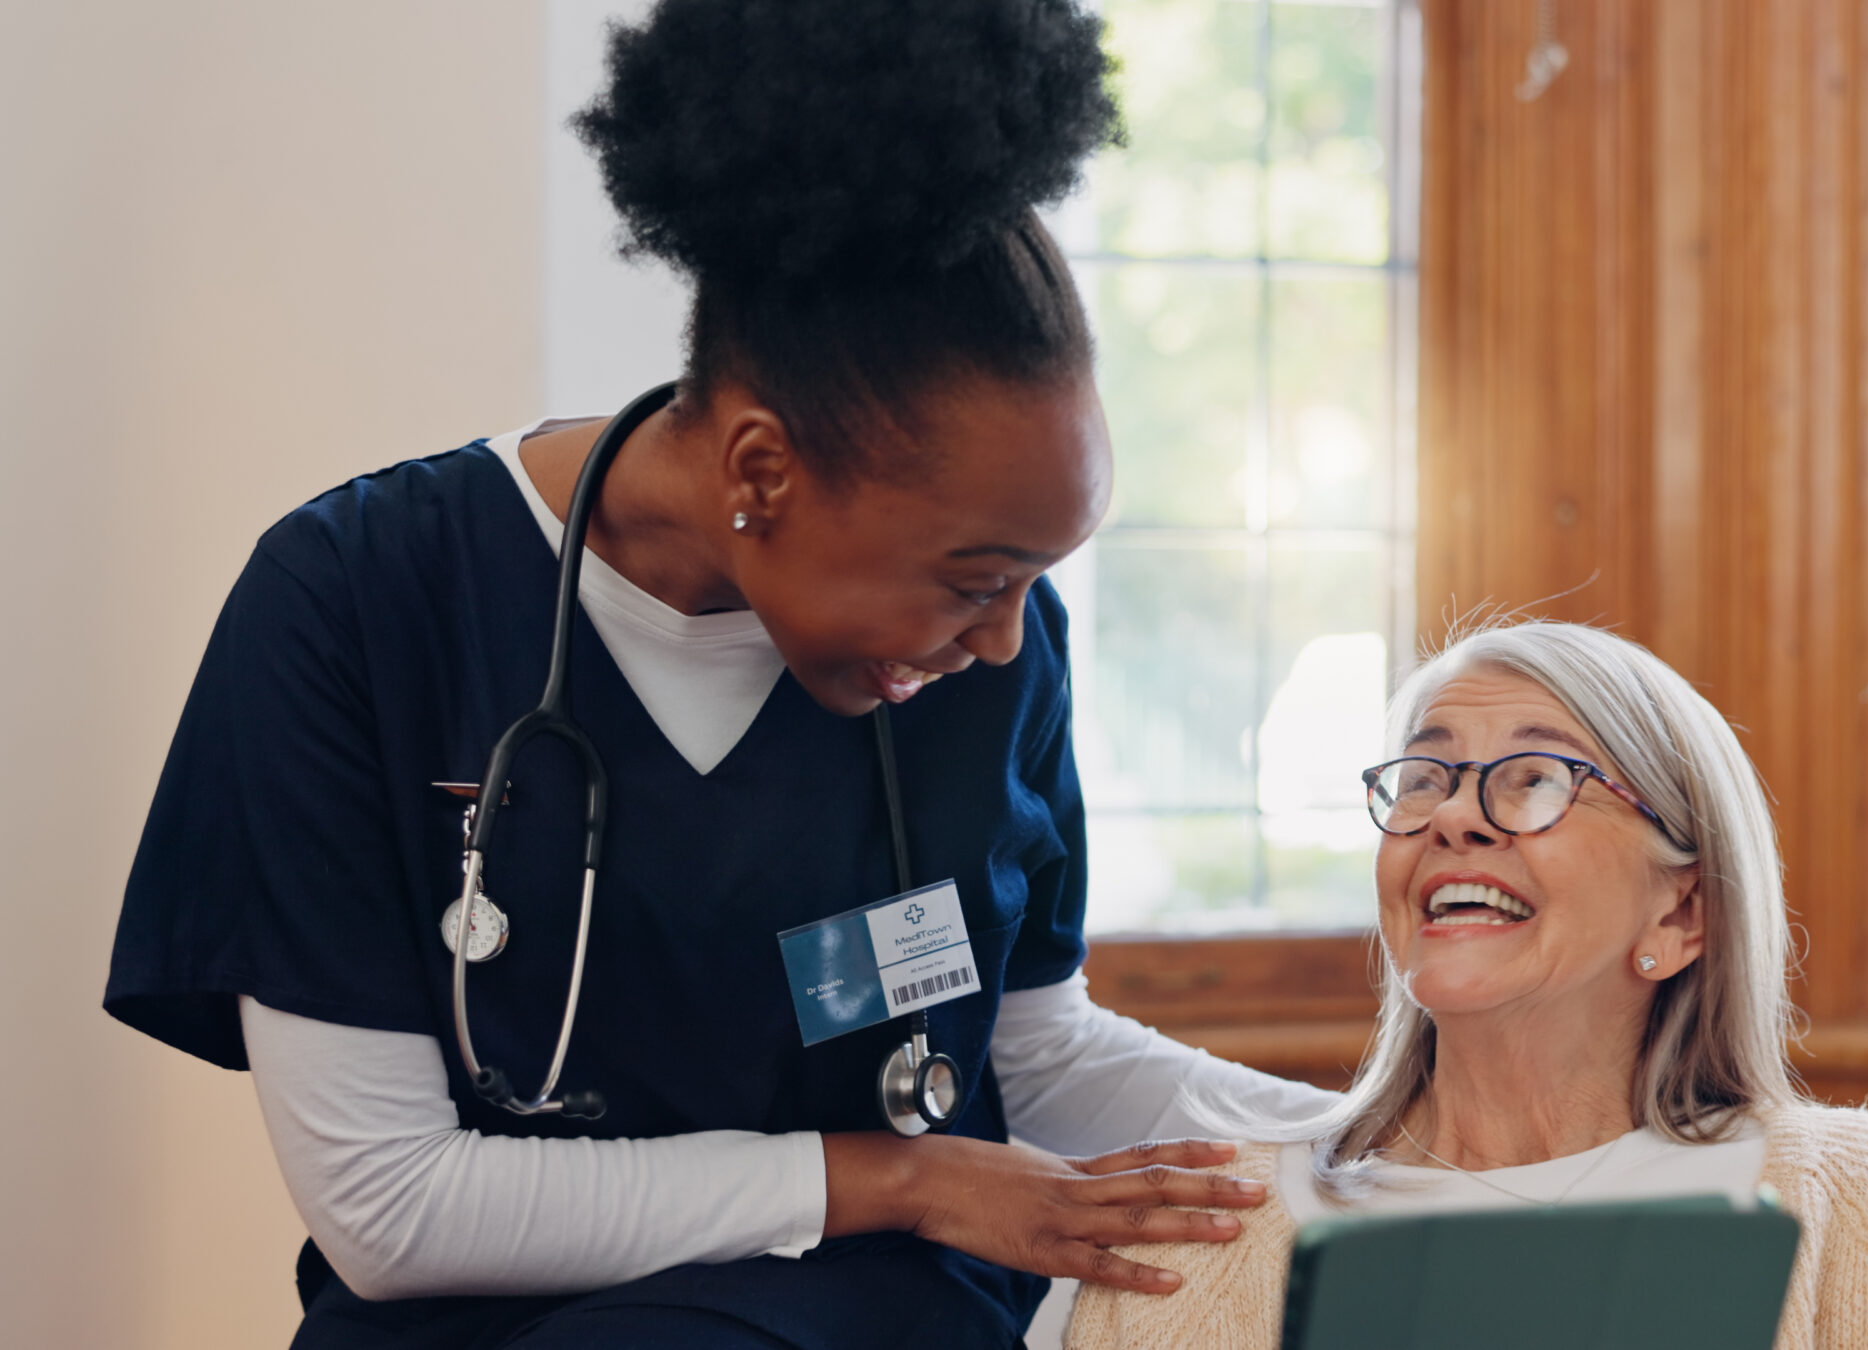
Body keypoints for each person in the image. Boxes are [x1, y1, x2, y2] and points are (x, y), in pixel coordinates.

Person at [101, 3, 1329, 1345]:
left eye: (1035, 579)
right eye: (975, 576)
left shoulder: (990, 658)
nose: (1002, 636)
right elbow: (389, 1207)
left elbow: (1032, 1056)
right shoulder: (353, 604)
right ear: (760, 470)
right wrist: (897, 1178)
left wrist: (1389, 1142)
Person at [1067, 622, 1868, 1350]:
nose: (1457, 817)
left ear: (1681, 916)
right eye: (1424, 777)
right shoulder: (1189, 1231)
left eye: (1536, 778)